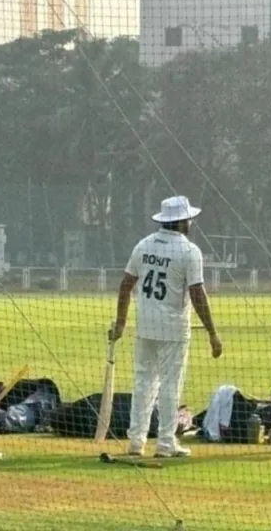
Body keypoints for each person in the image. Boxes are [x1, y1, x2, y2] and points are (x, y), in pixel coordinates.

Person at [109, 195, 222, 458]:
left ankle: (136, 441)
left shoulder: (144, 245)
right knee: (170, 385)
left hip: (145, 326)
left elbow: (126, 285)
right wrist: (213, 333)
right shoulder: (188, 251)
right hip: (173, 329)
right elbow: (197, 294)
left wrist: (121, 323)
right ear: (182, 221)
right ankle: (165, 442)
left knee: (143, 384)